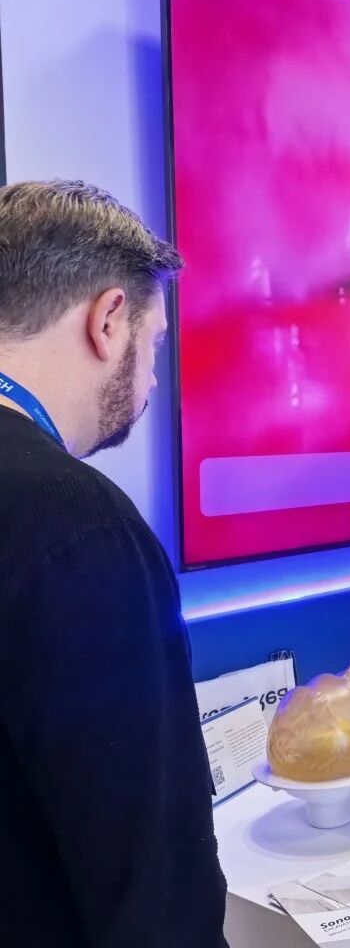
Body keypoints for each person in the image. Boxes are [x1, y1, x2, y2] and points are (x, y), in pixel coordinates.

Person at [0, 181, 227, 945]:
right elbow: (155, 892)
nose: (155, 378)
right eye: (154, 342)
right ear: (106, 320)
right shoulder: (81, 529)